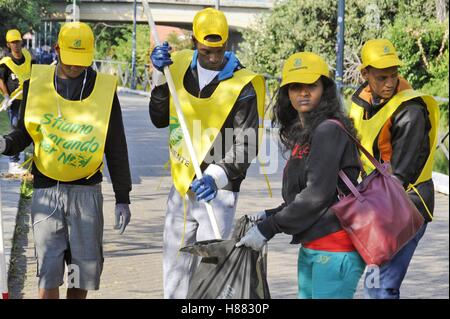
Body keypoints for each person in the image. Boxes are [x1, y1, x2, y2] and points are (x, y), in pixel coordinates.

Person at [0, 22, 132, 299]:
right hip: (47, 190)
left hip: (86, 193)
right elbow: (25, 132)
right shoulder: (36, 84)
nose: (73, 68)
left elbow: (116, 146)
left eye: (80, 63)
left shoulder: (104, 90)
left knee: (80, 270)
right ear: (57, 50)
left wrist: (123, 196)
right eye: (69, 62)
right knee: (49, 269)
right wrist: (5, 143)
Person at [149, 7, 266, 299]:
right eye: (206, 51)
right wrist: (159, 80)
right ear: (194, 43)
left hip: (218, 193)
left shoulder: (243, 85)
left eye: (218, 50)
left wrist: (216, 177)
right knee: (175, 268)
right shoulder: (175, 67)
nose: (213, 57)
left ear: (226, 44)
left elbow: (247, 143)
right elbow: (159, 118)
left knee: (210, 271)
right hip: (180, 187)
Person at [236, 52, 366, 299]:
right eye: (295, 87)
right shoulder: (307, 132)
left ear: (325, 89)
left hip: (335, 248)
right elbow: (307, 193)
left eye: (311, 86)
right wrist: (270, 214)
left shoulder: (328, 130)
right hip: (314, 246)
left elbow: (317, 195)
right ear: (286, 93)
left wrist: (268, 228)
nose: (303, 93)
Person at [350, 39, 439, 299]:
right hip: (378, 203)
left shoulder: (410, 111)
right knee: (375, 283)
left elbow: (400, 176)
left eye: (394, 75)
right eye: (381, 77)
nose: (389, 83)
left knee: (379, 287)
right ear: (365, 73)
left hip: (405, 207)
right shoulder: (361, 99)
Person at [0, 29, 32, 174]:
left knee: (27, 127)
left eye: (18, 41)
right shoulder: (5, 62)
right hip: (13, 101)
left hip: (28, 98)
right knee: (15, 127)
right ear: (8, 44)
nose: (16, 45)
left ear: (21, 41)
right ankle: (13, 163)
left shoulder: (28, 55)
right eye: (13, 42)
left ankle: (20, 160)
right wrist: (6, 96)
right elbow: (0, 80)